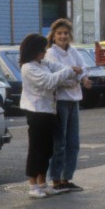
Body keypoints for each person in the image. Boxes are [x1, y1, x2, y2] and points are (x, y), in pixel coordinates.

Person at [19, 33, 79, 199]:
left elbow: (56, 67)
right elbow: (49, 81)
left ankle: (43, 183)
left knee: (47, 150)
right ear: (33, 51)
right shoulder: (28, 67)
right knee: (36, 149)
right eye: (41, 50)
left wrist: (68, 69)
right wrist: (69, 70)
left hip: (48, 110)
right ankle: (33, 185)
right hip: (36, 111)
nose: (44, 53)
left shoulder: (42, 63)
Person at [45, 18, 91, 192]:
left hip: (74, 100)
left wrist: (82, 78)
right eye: (59, 33)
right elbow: (56, 75)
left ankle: (67, 178)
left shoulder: (73, 51)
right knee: (60, 142)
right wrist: (73, 74)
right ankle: (55, 179)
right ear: (54, 36)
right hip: (60, 101)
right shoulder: (51, 53)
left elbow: (84, 68)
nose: (63, 36)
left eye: (65, 33)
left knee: (73, 142)